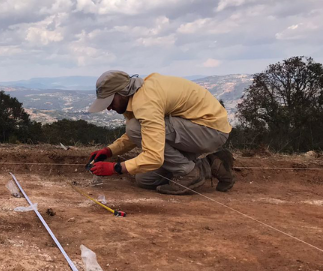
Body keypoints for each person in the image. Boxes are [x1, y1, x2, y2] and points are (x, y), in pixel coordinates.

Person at [85, 70, 236, 194]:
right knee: (145, 179)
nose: (109, 108)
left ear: (122, 92)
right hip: (196, 132)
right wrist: (109, 151)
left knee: (134, 128)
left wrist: (115, 168)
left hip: (210, 130)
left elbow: (153, 155)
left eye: (110, 102)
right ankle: (211, 164)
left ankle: (189, 172)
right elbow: (145, 131)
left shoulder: (145, 101)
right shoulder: (137, 95)